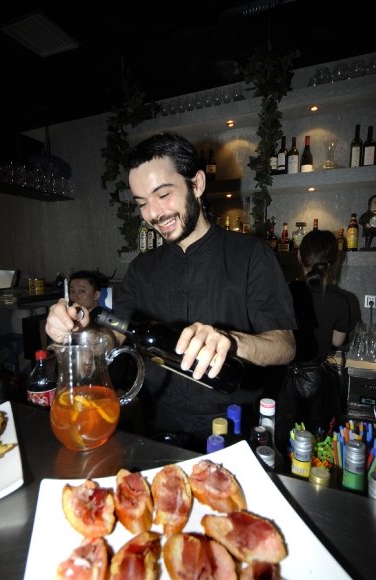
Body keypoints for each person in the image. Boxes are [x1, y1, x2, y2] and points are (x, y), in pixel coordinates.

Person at [46, 132, 297, 452]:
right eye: (142, 203)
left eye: (163, 194)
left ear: (197, 185)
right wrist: (81, 331)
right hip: (161, 426)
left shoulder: (251, 255)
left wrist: (231, 342)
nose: (153, 213)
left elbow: (284, 346)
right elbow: (112, 338)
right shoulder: (141, 268)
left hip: (238, 427)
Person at [272, 229, 350, 455]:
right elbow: (337, 340)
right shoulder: (341, 300)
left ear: (298, 257)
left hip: (282, 381)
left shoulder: (284, 293)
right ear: (334, 262)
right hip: (318, 382)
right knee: (317, 449)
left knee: (281, 446)